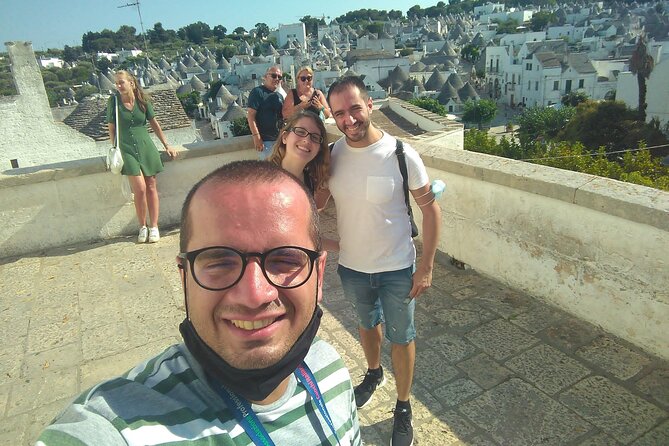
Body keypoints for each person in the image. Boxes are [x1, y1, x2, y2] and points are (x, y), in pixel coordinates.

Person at [36, 161, 361, 445]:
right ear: (184, 278)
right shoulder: (122, 424)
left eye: (285, 260)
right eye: (220, 262)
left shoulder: (328, 365)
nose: (254, 294)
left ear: (319, 275)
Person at [324, 76, 441, 446]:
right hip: (353, 267)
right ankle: (374, 373)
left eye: (354, 108)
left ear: (370, 104)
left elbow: (431, 211)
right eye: (339, 113)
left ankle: (403, 405)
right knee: (365, 324)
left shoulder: (402, 154)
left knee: (401, 336)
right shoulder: (332, 156)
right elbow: (313, 202)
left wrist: (426, 267)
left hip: (396, 268)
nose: (348, 119)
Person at [106, 70, 177, 244]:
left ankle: (154, 226)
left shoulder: (142, 101)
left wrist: (166, 145)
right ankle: (142, 226)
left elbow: (154, 123)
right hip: (126, 150)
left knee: (151, 186)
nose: (119, 86)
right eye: (117, 83)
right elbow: (112, 128)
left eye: (121, 82)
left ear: (131, 83)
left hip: (146, 147)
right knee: (140, 189)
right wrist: (114, 148)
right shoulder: (113, 102)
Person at [268, 109, 329, 195]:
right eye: (300, 132)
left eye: (315, 137)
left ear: (319, 149)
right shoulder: (264, 178)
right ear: (285, 137)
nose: (307, 140)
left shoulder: (310, 182)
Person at [247, 66, 284, 160]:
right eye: (274, 76)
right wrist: (256, 137)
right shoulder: (257, 92)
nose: (277, 79)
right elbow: (251, 115)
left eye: (279, 77)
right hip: (265, 141)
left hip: (279, 140)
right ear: (265, 77)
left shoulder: (279, 96)